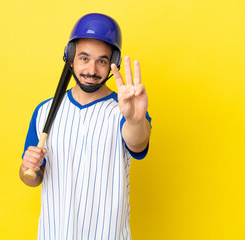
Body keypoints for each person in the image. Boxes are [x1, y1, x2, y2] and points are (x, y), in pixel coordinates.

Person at [19, 13, 152, 239]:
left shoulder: (125, 110)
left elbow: (138, 143)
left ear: (113, 64)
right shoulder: (45, 111)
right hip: (54, 233)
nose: (92, 70)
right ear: (70, 58)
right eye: (84, 58)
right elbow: (31, 177)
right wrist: (27, 170)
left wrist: (135, 120)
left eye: (102, 60)